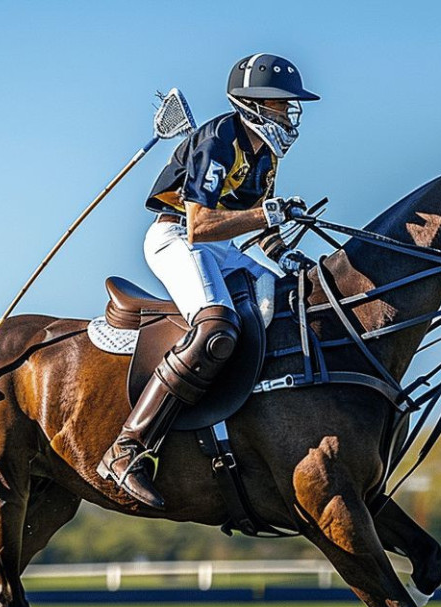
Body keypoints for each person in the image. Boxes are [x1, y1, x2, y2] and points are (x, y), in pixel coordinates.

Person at [97, 53, 321, 510]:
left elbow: (254, 227)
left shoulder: (265, 155)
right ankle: (128, 448)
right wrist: (268, 214)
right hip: (175, 235)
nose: (290, 112)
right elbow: (200, 225)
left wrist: (284, 253)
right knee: (216, 325)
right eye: (282, 104)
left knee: (292, 298)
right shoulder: (219, 137)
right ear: (255, 104)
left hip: (220, 245)